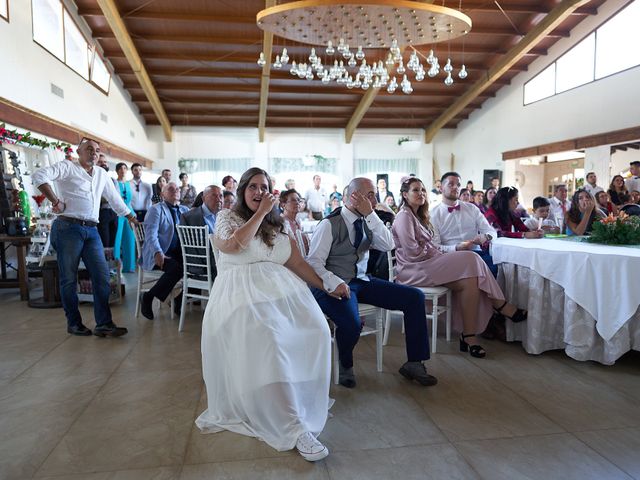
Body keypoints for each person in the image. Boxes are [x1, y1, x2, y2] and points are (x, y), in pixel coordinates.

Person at [196, 167, 333, 461]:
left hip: (278, 293)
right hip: (239, 295)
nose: (259, 192)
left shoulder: (279, 225)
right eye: (253, 187)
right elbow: (233, 245)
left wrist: (328, 286)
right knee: (270, 336)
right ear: (244, 191)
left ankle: (294, 397)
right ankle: (294, 428)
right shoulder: (226, 218)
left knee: (317, 328)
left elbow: (296, 263)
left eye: (264, 187)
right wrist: (260, 215)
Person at [307, 177, 437, 389]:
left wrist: (370, 213)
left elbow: (388, 244)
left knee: (415, 297)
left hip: (361, 281)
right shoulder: (329, 224)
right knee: (351, 323)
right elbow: (313, 263)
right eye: (369, 196)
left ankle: (415, 362)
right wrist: (334, 282)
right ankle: (345, 363)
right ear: (353, 196)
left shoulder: (368, 219)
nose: (374, 200)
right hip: (328, 285)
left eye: (374, 195)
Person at [392, 178, 527, 358]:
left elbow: (430, 246)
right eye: (416, 190)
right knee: (471, 258)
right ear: (404, 194)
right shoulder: (404, 216)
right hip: (413, 270)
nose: (421, 194)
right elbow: (413, 252)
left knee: (470, 281)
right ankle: (501, 305)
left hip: (427, 263)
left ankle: (469, 336)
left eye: (423, 190)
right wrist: (438, 252)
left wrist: (436, 250)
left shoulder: (418, 215)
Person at [32, 138, 135, 337]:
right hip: (67, 228)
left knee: (102, 276)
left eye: (97, 150)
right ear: (78, 151)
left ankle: (104, 323)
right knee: (69, 279)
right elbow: (39, 175)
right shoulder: (67, 167)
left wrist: (130, 216)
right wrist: (55, 200)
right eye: (89, 149)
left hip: (92, 230)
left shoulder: (102, 174)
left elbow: (115, 199)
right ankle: (73, 323)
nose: (94, 153)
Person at [430, 172, 498, 277]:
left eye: (458, 185)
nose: (456, 187)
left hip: (476, 254)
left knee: (498, 266)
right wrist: (456, 248)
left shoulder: (472, 209)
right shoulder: (433, 214)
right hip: (451, 257)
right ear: (441, 188)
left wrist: (485, 236)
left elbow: (491, 232)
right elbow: (435, 247)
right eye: (451, 184)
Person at [139, 182, 189, 320]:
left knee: (197, 268)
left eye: (177, 189)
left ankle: (178, 299)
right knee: (177, 269)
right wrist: (157, 252)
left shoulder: (184, 210)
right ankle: (148, 297)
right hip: (159, 253)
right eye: (171, 189)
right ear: (162, 194)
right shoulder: (155, 210)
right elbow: (151, 235)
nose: (175, 191)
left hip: (178, 253)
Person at [113, 162, 136, 272]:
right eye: (120, 168)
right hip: (119, 212)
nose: (123, 170)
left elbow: (131, 201)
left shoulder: (129, 184)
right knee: (118, 238)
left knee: (130, 238)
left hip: (129, 211)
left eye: (124, 168)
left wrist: (133, 213)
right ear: (117, 171)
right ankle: (116, 265)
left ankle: (130, 266)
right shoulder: (114, 183)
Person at [96, 153, 117, 248]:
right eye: (100, 162)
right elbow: (98, 197)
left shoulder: (113, 180)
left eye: (105, 162)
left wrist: (108, 197)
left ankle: (113, 261)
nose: (103, 164)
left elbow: (116, 196)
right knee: (104, 240)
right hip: (102, 213)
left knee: (114, 240)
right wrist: (109, 197)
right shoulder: (94, 179)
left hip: (114, 212)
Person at [280, 189, 309, 255]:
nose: (297, 203)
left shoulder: (297, 222)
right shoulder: (281, 223)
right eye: (293, 200)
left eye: (298, 200)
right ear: (283, 205)